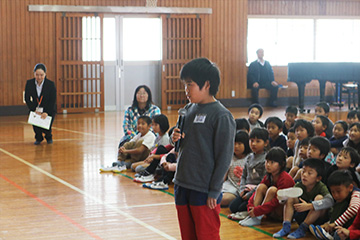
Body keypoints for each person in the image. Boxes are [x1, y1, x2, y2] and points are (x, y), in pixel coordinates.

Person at [172, 58, 236, 240]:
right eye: (185, 84)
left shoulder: (221, 115)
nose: (186, 89)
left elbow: (224, 157)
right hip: (182, 183)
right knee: (188, 235)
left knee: (206, 235)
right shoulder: (188, 109)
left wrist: (215, 190)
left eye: (189, 84)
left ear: (206, 84)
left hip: (204, 188)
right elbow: (180, 144)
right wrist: (174, 137)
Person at [273, 158, 334, 239]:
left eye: (309, 173)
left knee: (319, 198)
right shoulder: (299, 185)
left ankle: (302, 229)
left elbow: (330, 201)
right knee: (291, 197)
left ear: (318, 178)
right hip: (302, 215)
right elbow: (285, 203)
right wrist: (282, 198)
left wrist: (310, 206)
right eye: (303, 171)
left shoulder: (321, 187)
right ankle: (286, 227)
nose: (304, 175)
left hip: (319, 220)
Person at [239, 147, 295, 227]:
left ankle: (257, 217)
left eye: (272, 162)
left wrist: (259, 211)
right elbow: (256, 192)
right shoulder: (269, 176)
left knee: (272, 190)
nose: (268, 165)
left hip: (282, 213)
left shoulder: (285, 178)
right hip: (271, 211)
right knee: (261, 186)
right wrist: (251, 207)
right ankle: (253, 217)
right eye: (267, 161)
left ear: (282, 164)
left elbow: (276, 201)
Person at [228, 128, 268, 220]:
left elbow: (263, 181)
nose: (253, 144)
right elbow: (243, 176)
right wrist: (242, 189)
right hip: (246, 190)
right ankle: (243, 212)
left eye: (258, 141)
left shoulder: (265, 159)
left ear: (265, 143)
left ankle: (248, 213)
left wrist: (250, 194)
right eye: (251, 140)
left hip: (256, 192)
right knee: (232, 207)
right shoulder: (249, 157)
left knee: (242, 207)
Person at [310, 170, 360, 239]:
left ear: (350, 187)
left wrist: (335, 224)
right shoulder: (341, 198)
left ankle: (331, 233)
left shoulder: (357, 193)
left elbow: (354, 209)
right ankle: (329, 231)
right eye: (332, 192)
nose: (335, 195)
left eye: (338, 191)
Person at [25, 63, 56, 145]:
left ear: (45, 74)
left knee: (46, 126)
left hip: (48, 108)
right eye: (37, 75)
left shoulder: (50, 85)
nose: (39, 77)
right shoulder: (29, 83)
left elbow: (52, 100)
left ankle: (48, 136)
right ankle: (38, 138)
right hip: (35, 109)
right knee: (36, 125)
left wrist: (47, 112)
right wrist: (33, 109)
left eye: (41, 75)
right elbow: (27, 98)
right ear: (34, 73)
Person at [221, 130, 251, 208]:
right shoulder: (230, 156)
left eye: (239, 144)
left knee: (223, 199)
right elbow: (224, 174)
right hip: (228, 185)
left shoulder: (249, 158)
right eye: (234, 143)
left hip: (240, 188)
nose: (236, 146)